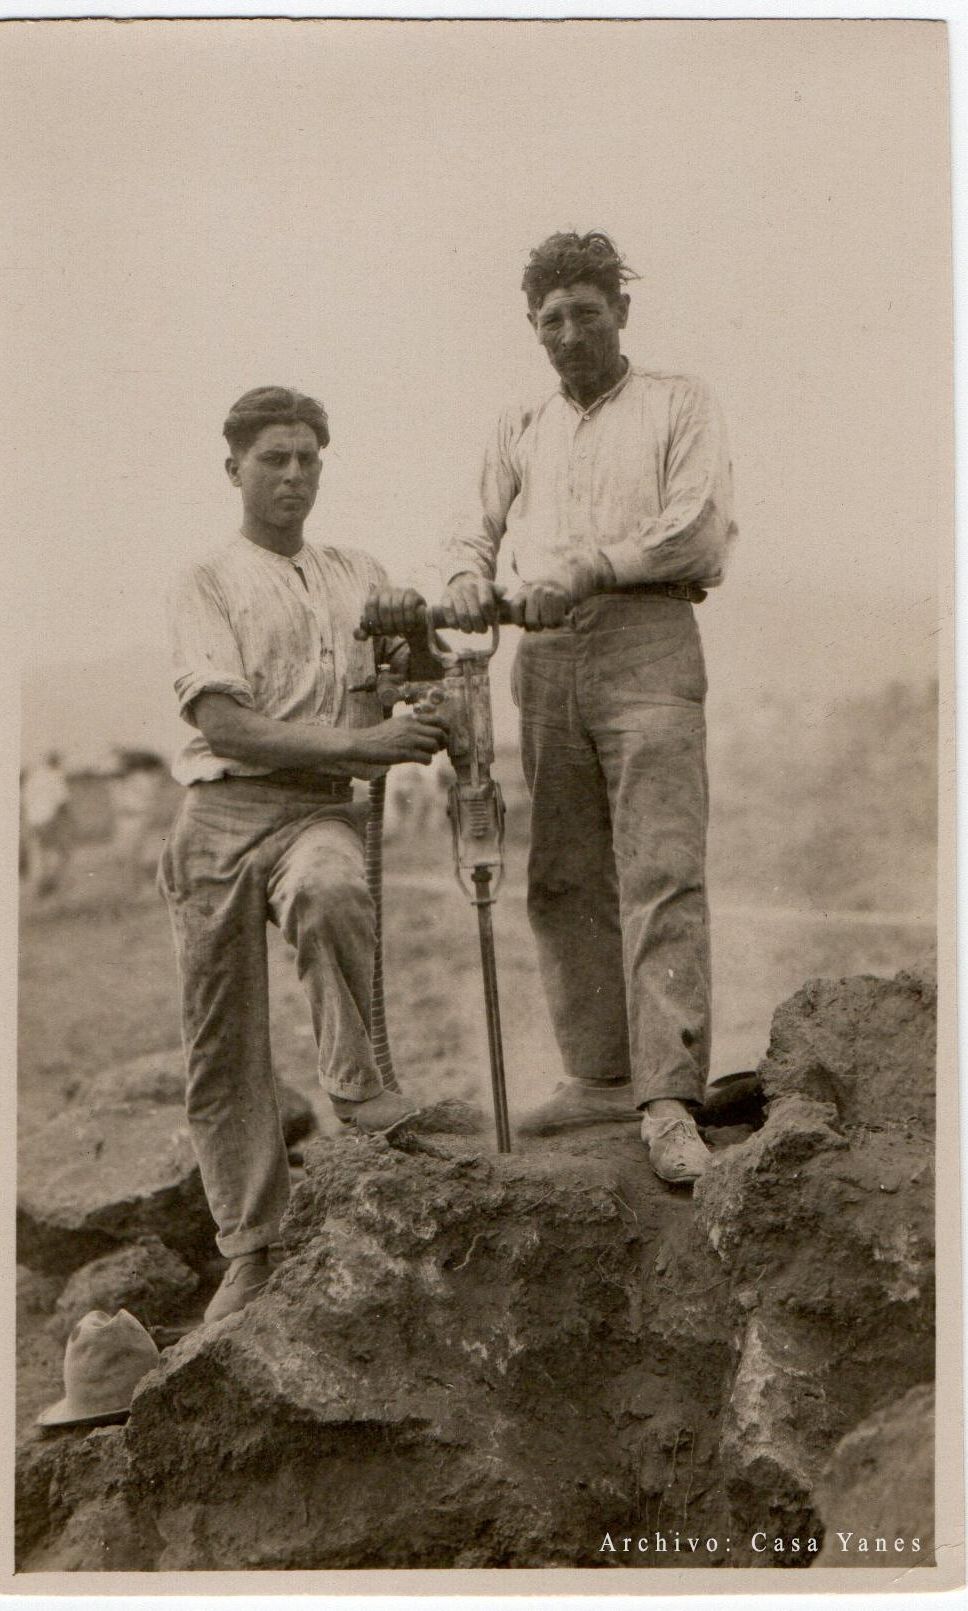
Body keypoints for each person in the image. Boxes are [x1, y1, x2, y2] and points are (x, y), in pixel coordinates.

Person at [370, 231, 736, 1185]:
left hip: (646, 639)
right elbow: (470, 524)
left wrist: (590, 565)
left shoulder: (676, 403)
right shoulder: (519, 423)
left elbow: (695, 528)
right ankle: (599, 1074)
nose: (570, 332)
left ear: (622, 310)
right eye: (551, 319)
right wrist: (461, 575)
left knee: (658, 865)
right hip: (544, 660)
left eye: (587, 311)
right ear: (533, 329)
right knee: (564, 875)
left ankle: (667, 1099)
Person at [159, 386, 446, 1321]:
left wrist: (420, 649)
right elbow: (225, 722)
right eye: (273, 458)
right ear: (233, 467)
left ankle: (359, 1089)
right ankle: (249, 1244)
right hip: (219, 816)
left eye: (308, 458)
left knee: (332, 890)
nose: (293, 475)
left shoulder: (358, 570)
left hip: (317, 812)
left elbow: (423, 673)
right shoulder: (206, 579)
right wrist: (363, 746)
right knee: (223, 1040)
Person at [22, 751, 73, 899]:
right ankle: (47, 886)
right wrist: (69, 822)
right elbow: (63, 803)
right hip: (49, 820)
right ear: (55, 762)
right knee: (58, 853)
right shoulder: (55, 776)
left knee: (37, 854)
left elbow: (23, 801)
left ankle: (38, 888)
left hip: (31, 821)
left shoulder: (33, 776)